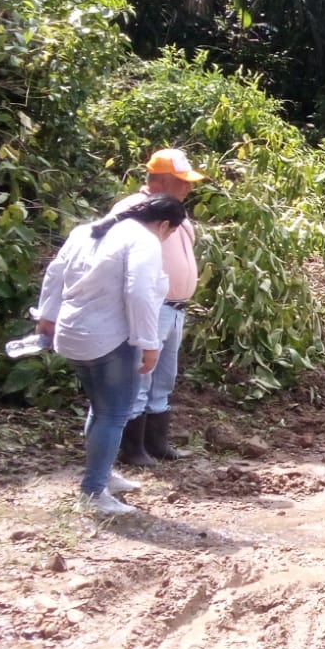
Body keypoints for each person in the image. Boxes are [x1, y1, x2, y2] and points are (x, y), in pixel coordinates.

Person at [35, 195, 188, 516]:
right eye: (171, 232)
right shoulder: (143, 240)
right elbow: (139, 293)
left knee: (101, 408)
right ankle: (93, 492)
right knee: (114, 413)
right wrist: (148, 342)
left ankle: (102, 474)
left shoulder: (87, 231)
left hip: (72, 333)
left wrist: (47, 317)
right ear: (164, 225)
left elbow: (55, 273)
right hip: (109, 338)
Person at [115, 148, 205, 466]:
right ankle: (132, 449)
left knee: (163, 379)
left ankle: (156, 443)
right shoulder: (134, 210)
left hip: (175, 308)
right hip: (151, 306)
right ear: (162, 181)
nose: (188, 187)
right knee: (140, 377)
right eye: (182, 181)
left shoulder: (176, 212)